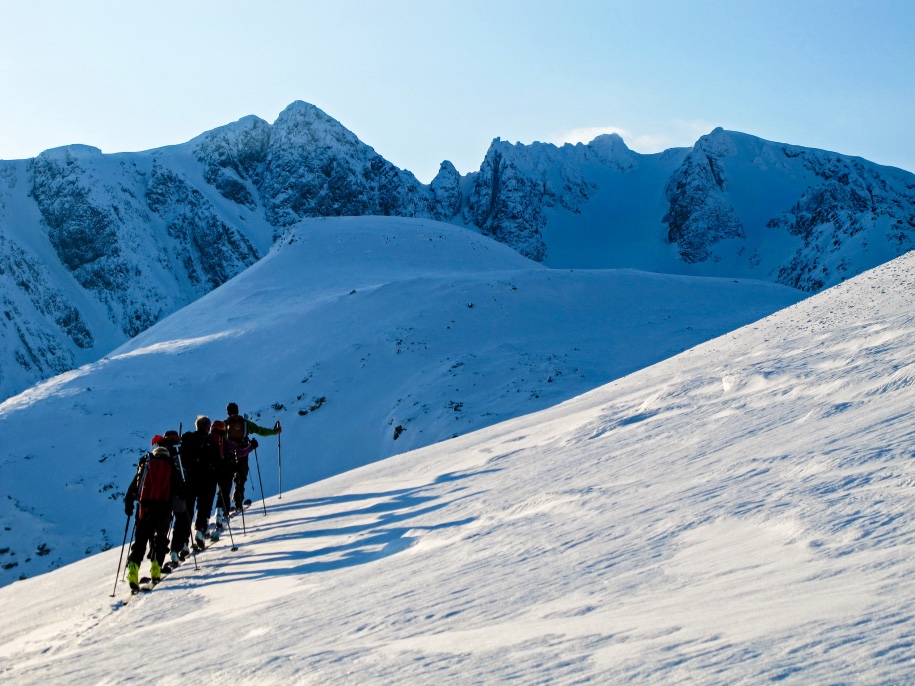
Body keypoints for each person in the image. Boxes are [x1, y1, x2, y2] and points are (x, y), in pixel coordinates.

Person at [123, 433, 183, 590]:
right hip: (163, 506)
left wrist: (129, 503)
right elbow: (179, 489)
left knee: (141, 540)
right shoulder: (170, 465)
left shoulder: (146, 465)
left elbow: (134, 487)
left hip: (144, 507)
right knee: (161, 538)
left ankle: (133, 569)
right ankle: (156, 569)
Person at [224, 402, 281, 512]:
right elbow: (260, 431)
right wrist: (274, 432)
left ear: (228, 412)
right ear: (237, 410)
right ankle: (238, 502)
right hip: (243, 453)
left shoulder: (225, 424)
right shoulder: (245, 424)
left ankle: (224, 508)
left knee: (226, 479)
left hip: (228, 456)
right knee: (241, 477)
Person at [176, 417, 217, 555]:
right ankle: (200, 531)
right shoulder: (210, 441)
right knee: (203, 506)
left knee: (188, 509)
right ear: (207, 427)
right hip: (205, 478)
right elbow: (216, 460)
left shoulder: (187, 439)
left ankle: (183, 542)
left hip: (189, 479)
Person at [209, 420, 255, 538]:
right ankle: (221, 515)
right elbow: (241, 453)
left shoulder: (207, 440)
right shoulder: (227, 442)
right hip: (226, 470)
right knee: (223, 493)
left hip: (209, 472)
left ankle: (202, 525)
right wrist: (252, 447)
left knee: (207, 497)